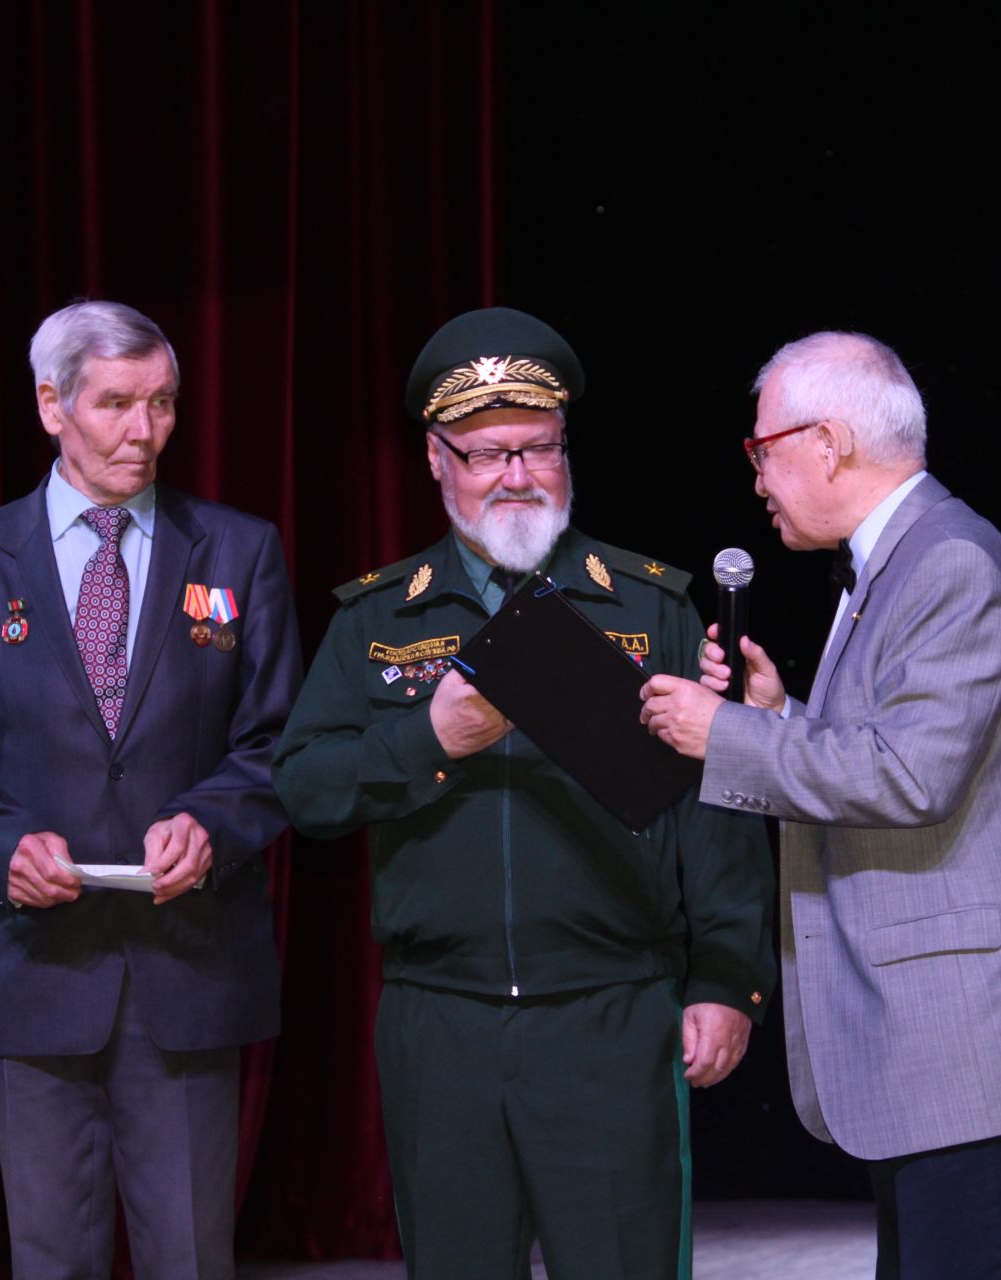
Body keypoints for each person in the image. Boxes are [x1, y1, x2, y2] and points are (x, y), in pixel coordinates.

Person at [272, 307, 776, 1280]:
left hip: (611, 1014)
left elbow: (717, 799)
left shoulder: (647, 606)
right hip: (440, 1020)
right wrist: (432, 737)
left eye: (538, 448)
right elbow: (306, 786)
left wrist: (725, 976)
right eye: (487, 453)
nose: (516, 476)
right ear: (435, 458)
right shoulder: (381, 616)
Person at [640, 330, 1001, 1279]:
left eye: (761, 449)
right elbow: (901, 750)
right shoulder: (896, 565)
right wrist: (780, 714)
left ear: (828, 443)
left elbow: (911, 776)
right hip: (939, 1054)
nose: (757, 479)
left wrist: (726, 735)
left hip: (968, 1050)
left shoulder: (947, 563)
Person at [0, 300, 301, 1280]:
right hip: (35, 970)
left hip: (188, 965)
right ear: (52, 405)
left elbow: (280, 745)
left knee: (191, 1255)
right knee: (52, 1257)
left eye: (162, 402)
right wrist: (3, 847)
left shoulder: (239, 552)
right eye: (116, 403)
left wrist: (212, 821)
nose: (144, 430)